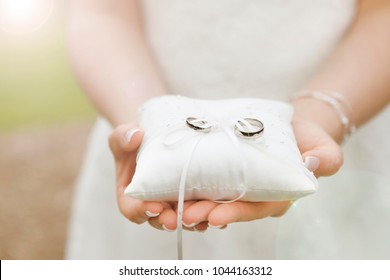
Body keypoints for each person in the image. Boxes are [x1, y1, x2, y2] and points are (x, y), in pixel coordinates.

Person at [65, 0, 390, 259]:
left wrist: (319, 117)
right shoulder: (152, 135)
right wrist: (148, 124)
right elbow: (102, 12)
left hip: (347, 92)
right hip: (144, 110)